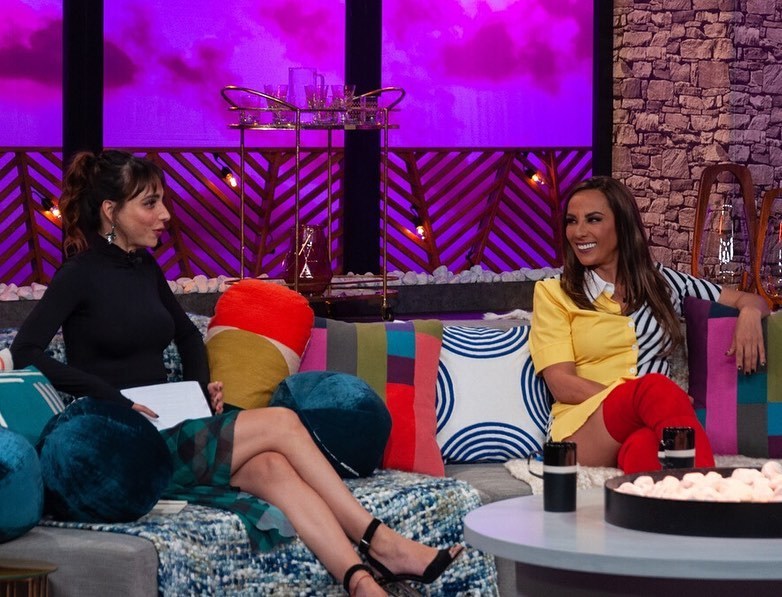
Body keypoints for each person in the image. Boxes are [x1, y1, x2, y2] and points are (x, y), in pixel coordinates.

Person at [11, 150, 462, 596]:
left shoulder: (144, 267)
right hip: (121, 441)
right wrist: (114, 399)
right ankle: (382, 543)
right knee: (282, 423)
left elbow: (188, 336)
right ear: (111, 211)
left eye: (162, 200)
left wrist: (198, 390)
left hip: (168, 421)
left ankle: (361, 583)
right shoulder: (78, 275)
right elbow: (26, 350)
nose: (165, 214)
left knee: (272, 467)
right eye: (150, 203)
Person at [529, 176, 769, 474]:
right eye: (571, 221)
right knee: (655, 388)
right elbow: (562, 383)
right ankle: (711, 488)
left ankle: (673, 498)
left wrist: (749, 314)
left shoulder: (664, 283)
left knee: (645, 451)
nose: (578, 232)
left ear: (623, 225)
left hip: (650, 426)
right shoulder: (554, 292)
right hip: (583, 429)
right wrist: (644, 398)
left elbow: (751, 300)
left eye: (593, 219)